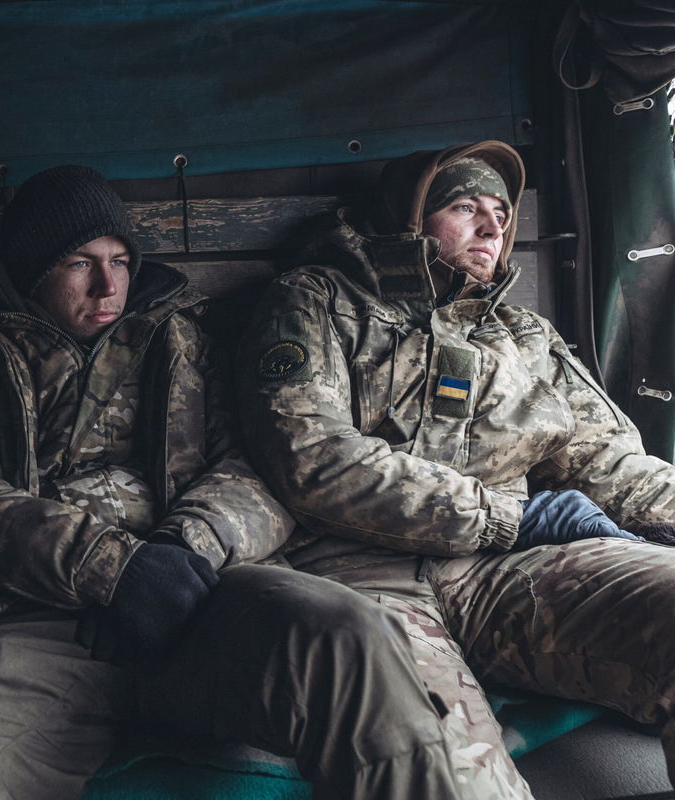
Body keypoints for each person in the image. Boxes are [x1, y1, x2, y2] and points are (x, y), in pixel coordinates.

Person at [0, 164, 469, 800]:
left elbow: (255, 469)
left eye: (120, 260)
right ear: (32, 272)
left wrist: (182, 550)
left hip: (197, 594)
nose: (108, 284)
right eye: (78, 263)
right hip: (34, 622)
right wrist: (114, 570)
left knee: (350, 634)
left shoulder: (183, 336)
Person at [238, 139, 675, 798]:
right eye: (465, 207)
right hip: (361, 575)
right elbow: (314, 460)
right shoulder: (316, 301)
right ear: (411, 221)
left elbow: (601, 456)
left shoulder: (526, 335)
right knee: (442, 769)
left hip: (506, 573)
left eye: (500, 210)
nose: (493, 225)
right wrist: (508, 517)